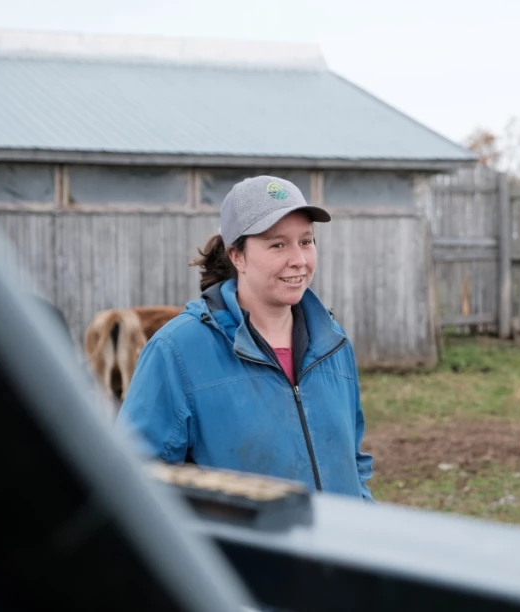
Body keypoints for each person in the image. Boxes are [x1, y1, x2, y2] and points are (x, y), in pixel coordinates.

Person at [117, 176, 373, 501]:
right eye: (278, 244)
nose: (299, 259)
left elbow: (354, 460)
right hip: (246, 552)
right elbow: (135, 479)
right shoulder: (177, 351)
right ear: (237, 256)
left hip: (338, 548)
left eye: (306, 241)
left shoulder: (333, 343)